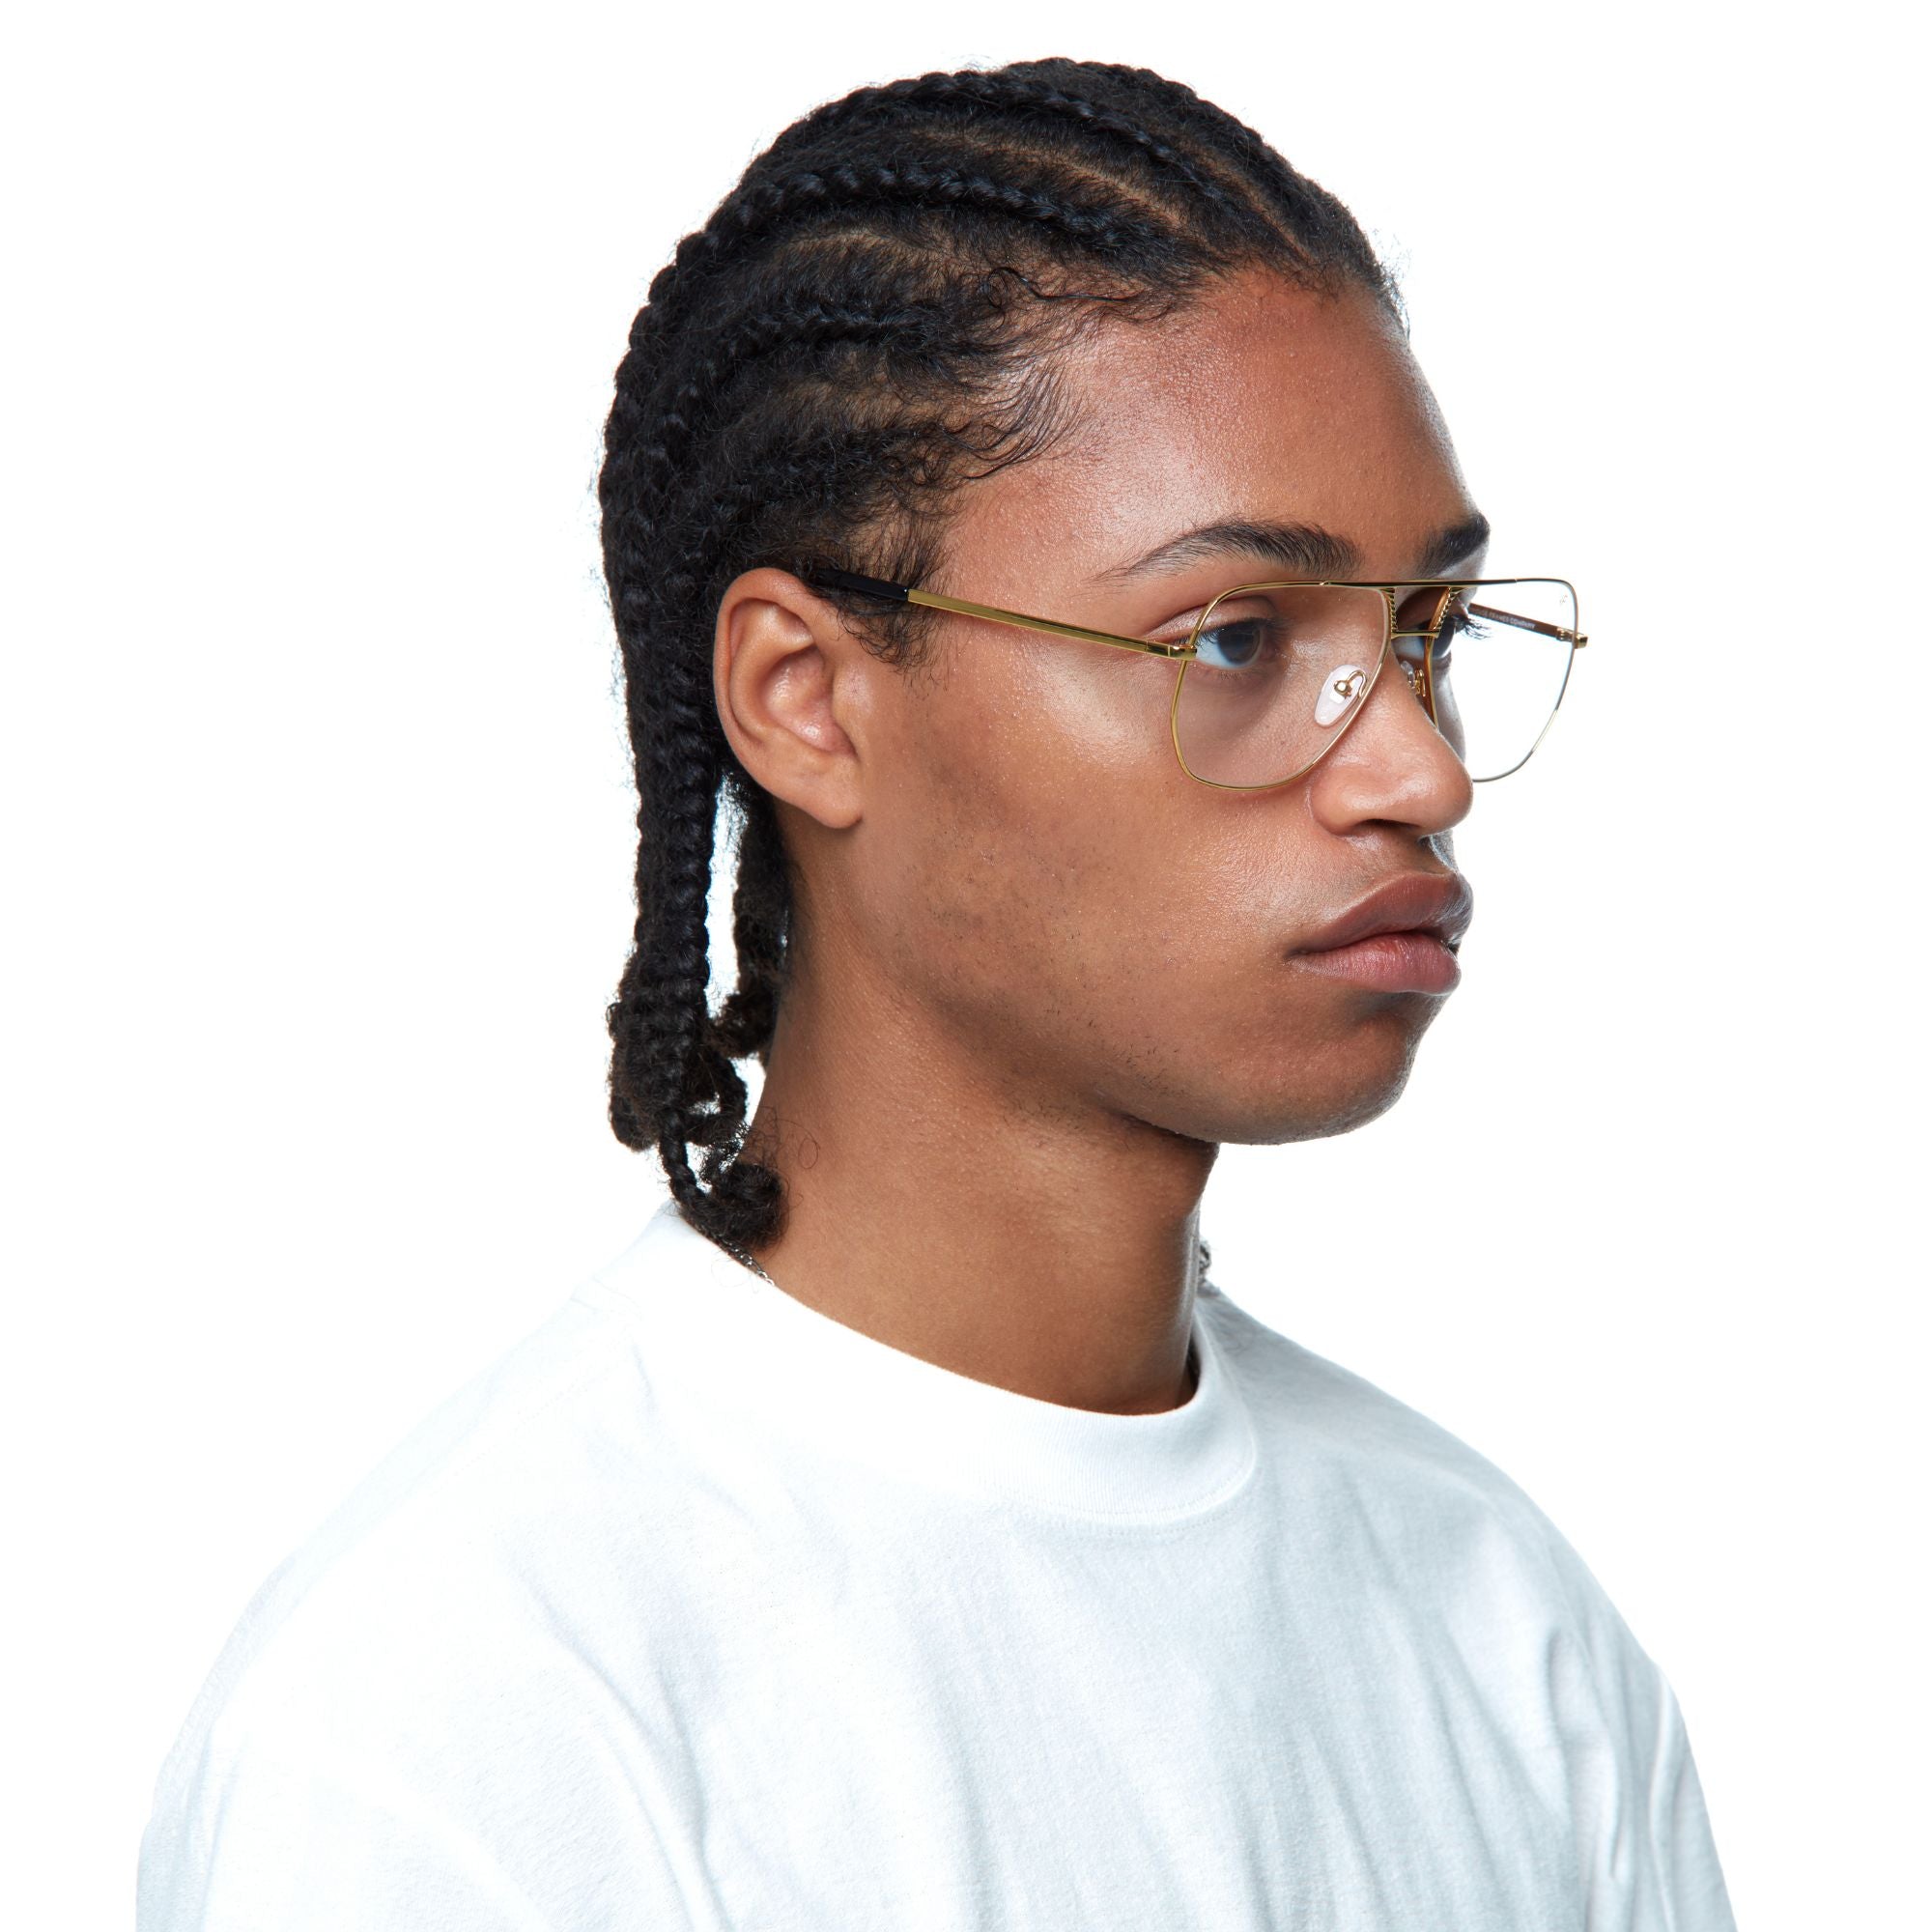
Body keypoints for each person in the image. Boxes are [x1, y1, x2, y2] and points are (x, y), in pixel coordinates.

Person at [137, 56, 1737, 1930]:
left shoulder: (1511, 1639)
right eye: (1237, 638)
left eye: (1426, 635)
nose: (1419, 766)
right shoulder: (472, 1729)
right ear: (809, 701)